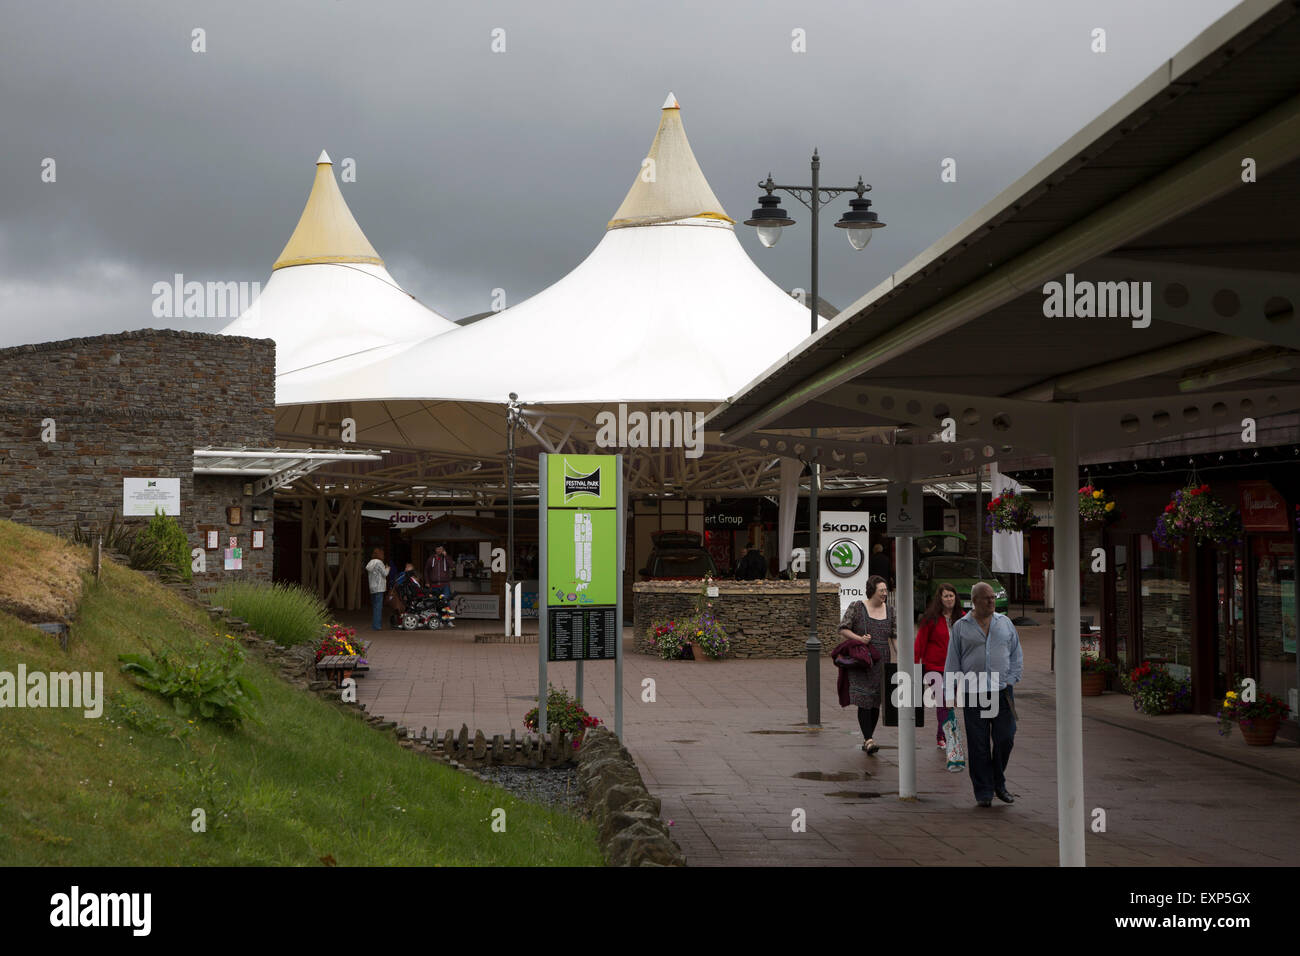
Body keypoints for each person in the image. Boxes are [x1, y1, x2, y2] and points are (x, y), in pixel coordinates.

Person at [944, 581, 1023, 807]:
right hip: (973, 692)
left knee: (1006, 737)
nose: (992, 601)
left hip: (1002, 691)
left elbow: (1016, 653)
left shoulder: (1005, 623)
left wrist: (1011, 679)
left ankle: (998, 780)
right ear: (975, 600)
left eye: (993, 598)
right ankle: (984, 791)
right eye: (987, 598)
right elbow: (952, 661)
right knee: (978, 745)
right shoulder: (961, 626)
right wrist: (949, 693)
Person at [838, 575, 897, 755]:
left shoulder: (891, 610)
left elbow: (893, 635)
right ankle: (868, 739)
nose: (885, 594)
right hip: (862, 662)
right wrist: (860, 639)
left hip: (881, 662)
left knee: (875, 701)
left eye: (886, 591)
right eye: (881, 591)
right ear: (872, 591)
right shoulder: (857, 607)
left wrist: (901, 655)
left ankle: (869, 737)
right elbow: (842, 628)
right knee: (864, 700)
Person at [915, 583, 961, 749]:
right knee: (943, 701)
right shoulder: (930, 619)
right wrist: (915, 664)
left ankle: (941, 735)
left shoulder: (962, 618)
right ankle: (948, 735)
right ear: (940, 599)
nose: (949, 599)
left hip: (955, 669)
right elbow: (920, 642)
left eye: (951, 595)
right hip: (934, 667)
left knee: (949, 702)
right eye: (946, 596)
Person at [365, 548, 389, 631]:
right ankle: (377, 626)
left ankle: (375, 625)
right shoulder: (379, 563)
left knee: (375, 607)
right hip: (379, 587)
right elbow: (385, 574)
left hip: (372, 587)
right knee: (378, 607)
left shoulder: (370, 563)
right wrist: (387, 568)